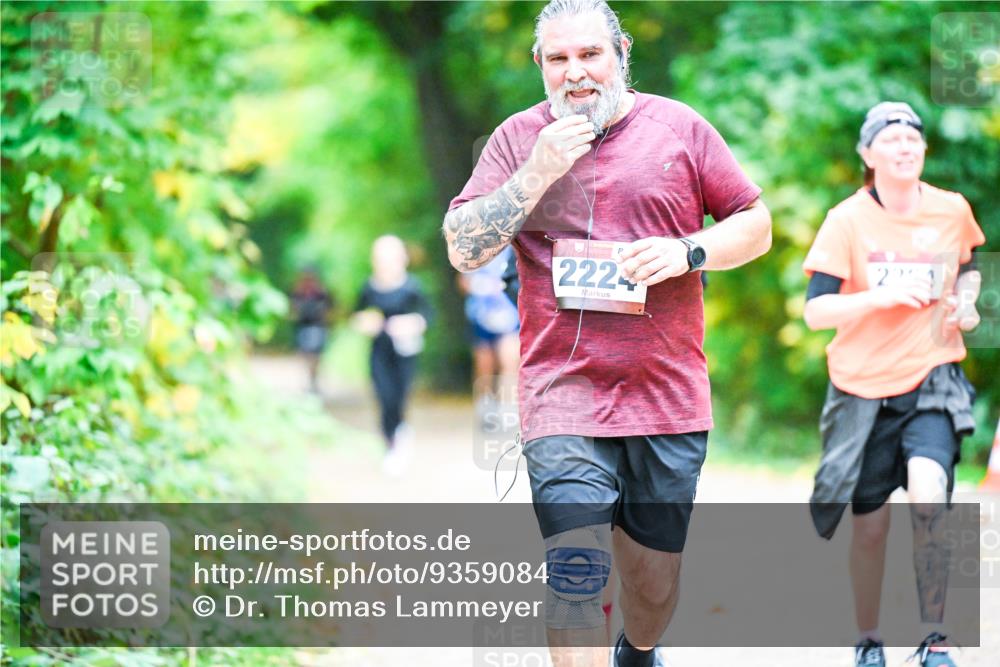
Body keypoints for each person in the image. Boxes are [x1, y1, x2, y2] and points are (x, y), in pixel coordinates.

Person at [443, 2, 771, 665]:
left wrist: (689, 252)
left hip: (666, 397)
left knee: (652, 587)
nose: (576, 74)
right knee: (574, 575)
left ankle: (638, 649)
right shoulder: (517, 139)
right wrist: (535, 172)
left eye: (589, 55)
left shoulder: (679, 130)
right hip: (561, 396)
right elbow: (463, 248)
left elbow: (755, 222)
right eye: (558, 59)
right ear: (540, 65)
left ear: (620, 52)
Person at [803, 102, 984, 667]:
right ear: (867, 154)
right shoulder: (847, 220)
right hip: (861, 392)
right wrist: (877, 298)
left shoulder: (951, 210)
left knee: (930, 496)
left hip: (932, 379)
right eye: (891, 138)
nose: (905, 146)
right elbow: (815, 312)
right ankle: (869, 639)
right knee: (871, 530)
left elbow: (971, 265)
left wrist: (969, 304)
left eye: (914, 137)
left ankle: (934, 640)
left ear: (923, 150)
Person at [352, 235, 432, 477]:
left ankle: (400, 435)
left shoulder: (412, 287)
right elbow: (356, 315)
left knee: (399, 397)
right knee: (383, 396)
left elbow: (428, 315)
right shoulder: (368, 287)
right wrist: (366, 322)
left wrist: (412, 323)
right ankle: (390, 443)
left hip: (405, 351)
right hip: (379, 351)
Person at [458, 245, 521, 428]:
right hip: (482, 314)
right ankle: (485, 407)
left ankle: (507, 408)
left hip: (510, 313)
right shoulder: (476, 248)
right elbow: (463, 281)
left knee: (509, 360)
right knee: (484, 364)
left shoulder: (516, 246)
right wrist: (478, 285)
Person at [291, 267, 334, 394]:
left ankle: (313, 380)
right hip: (304, 327)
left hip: (318, 326)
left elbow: (331, 308)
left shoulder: (321, 293)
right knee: (307, 355)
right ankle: (311, 380)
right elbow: (292, 309)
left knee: (316, 356)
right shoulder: (298, 292)